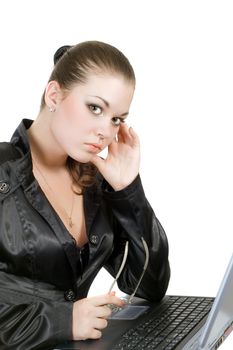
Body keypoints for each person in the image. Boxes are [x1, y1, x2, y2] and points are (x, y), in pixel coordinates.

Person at [0, 41, 170, 349]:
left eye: (116, 119)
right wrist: (63, 321)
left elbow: (149, 285)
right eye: (95, 108)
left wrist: (128, 190)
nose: (106, 131)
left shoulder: (95, 184)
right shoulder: (3, 174)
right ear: (54, 95)